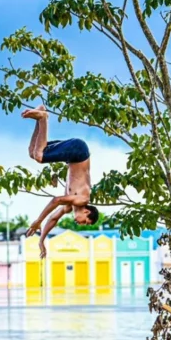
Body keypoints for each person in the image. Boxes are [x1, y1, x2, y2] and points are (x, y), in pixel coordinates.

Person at [22, 105, 99, 258]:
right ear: (86, 211)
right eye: (85, 222)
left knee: (33, 152)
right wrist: (38, 220)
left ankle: (40, 115)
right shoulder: (82, 199)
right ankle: (43, 118)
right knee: (39, 156)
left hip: (74, 154)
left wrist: (41, 241)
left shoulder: (70, 207)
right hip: (79, 151)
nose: (81, 224)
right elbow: (56, 200)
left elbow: (54, 219)